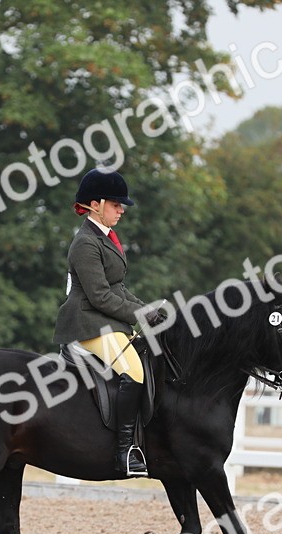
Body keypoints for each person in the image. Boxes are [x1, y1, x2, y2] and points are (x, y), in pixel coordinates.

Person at [53, 167, 166, 478]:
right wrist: (141, 315)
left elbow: (119, 289)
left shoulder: (107, 239)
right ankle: (125, 450)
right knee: (134, 370)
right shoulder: (85, 243)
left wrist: (150, 310)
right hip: (87, 323)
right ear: (95, 204)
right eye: (116, 205)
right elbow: (100, 297)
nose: (121, 211)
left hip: (107, 322)